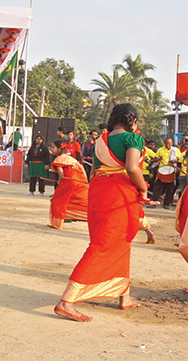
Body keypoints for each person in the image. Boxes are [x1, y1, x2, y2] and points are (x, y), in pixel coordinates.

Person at [54, 103, 147, 322]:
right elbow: (132, 168)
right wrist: (143, 188)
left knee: (117, 242)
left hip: (98, 191)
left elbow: (95, 171)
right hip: (119, 194)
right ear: (133, 120)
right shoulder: (132, 139)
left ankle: (124, 295)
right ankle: (66, 301)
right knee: (105, 244)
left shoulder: (100, 141)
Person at [48, 139, 89, 229]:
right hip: (80, 180)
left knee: (57, 201)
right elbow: (81, 167)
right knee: (79, 201)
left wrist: (59, 182)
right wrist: (85, 181)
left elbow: (61, 176)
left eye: (53, 147)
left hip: (70, 180)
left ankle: (57, 224)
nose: (51, 149)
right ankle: (89, 216)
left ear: (59, 149)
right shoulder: (70, 158)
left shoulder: (58, 159)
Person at [150, 138, 180, 209]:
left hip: (171, 172)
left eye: (169, 144)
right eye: (166, 144)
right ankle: (154, 203)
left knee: (170, 189)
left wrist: (174, 161)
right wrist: (158, 159)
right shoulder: (160, 149)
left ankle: (166, 204)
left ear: (172, 143)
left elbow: (180, 160)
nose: (168, 145)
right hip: (161, 172)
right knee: (157, 188)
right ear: (164, 143)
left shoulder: (175, 150)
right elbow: (154, 159)